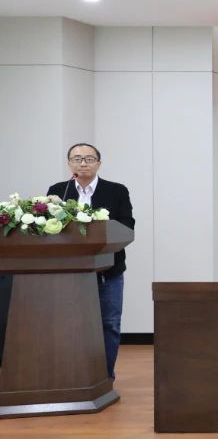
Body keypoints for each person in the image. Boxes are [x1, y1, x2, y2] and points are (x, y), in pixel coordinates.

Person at [48, 143, 135, 378]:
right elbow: (48, 229)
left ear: (99, 163)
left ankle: (105, 377)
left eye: (89, 158)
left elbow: (127, 226)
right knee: (71, 325)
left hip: (108, 270)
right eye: (77, 159)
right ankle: (74, 376)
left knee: (109, 323)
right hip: (69, 272)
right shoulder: (59, 191)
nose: (83, 163)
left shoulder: (116, 191)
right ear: (69, 164)